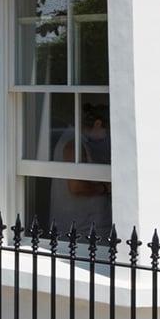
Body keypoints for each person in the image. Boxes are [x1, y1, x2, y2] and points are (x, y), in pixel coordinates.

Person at [49, 103, 112, 240]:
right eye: (107, 130)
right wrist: (105, 187)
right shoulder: (73, 144)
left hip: (86, 227)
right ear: (98, 124)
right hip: (81, 230)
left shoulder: (78, 141)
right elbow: (76, 187)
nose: (107, 136)